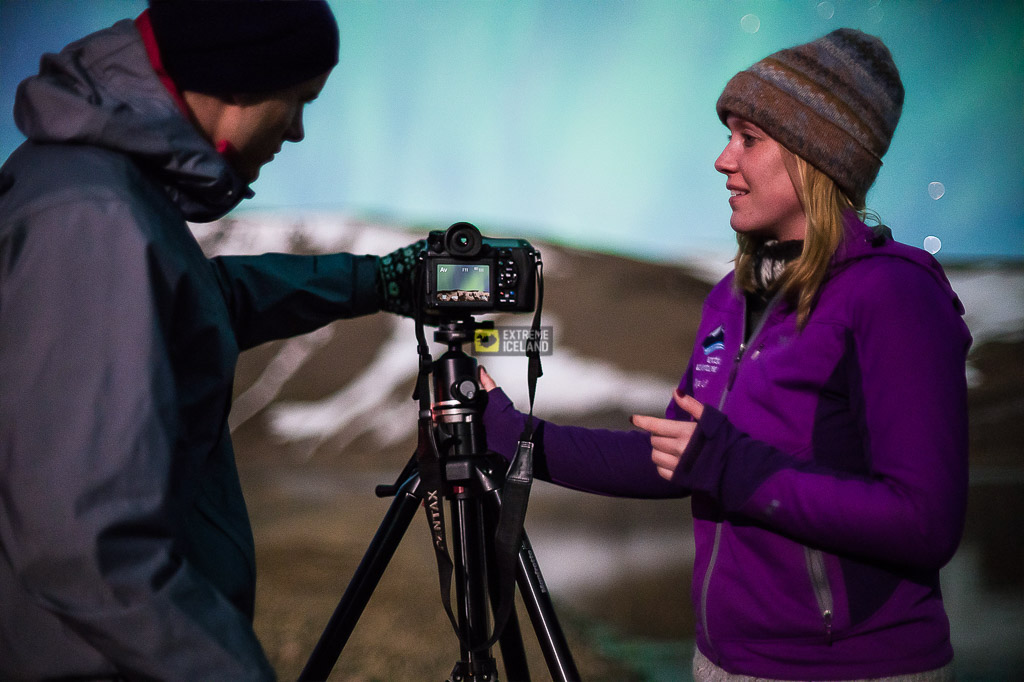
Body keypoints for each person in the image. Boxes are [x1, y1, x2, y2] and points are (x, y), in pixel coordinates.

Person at [480, 28, 970, 681]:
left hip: (852, 669)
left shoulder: (893, 294)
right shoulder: (732, 298)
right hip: (720, 662)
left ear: (816, 155)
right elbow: (673, 459)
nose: (721, 159)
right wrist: (513, 436)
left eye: (748, 138)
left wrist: (735, 467)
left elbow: (925, 523)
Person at [0, 1, 421, 679]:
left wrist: (377, 281)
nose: (298, 131)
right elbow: (87, 547)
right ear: (241, 82)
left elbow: (201, 299)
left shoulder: (103, 192)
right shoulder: (94, 219)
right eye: (299, 99)